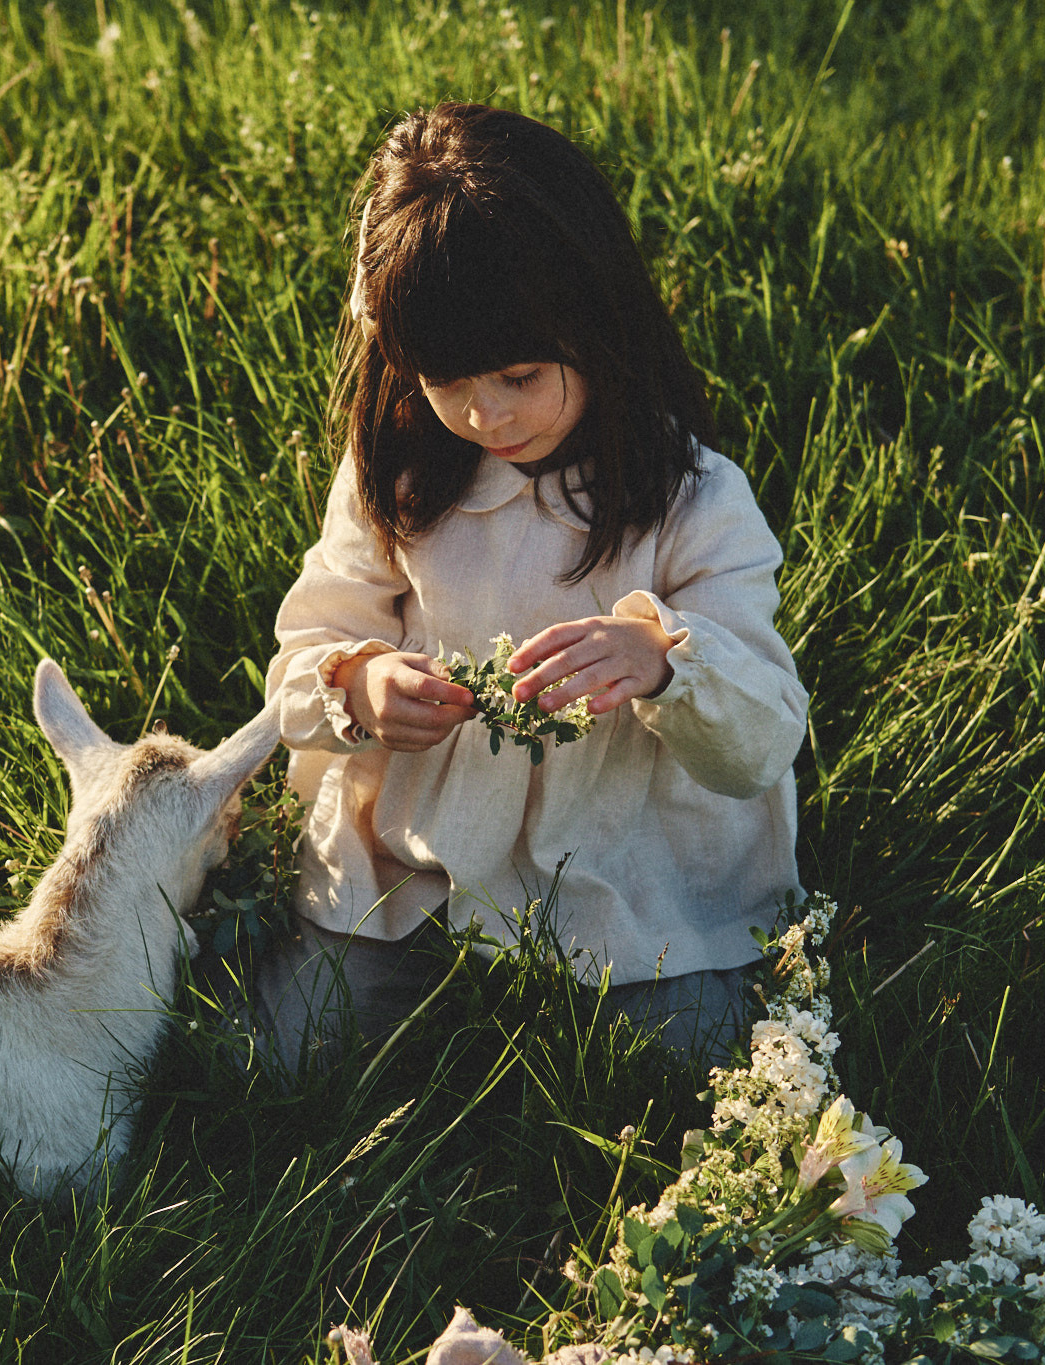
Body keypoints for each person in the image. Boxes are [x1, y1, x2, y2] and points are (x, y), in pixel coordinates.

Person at [256, 103, 808, 1072]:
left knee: (685, 1066)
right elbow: (307, 645)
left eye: (519, 373)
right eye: (447, 379)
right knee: (290, 1051)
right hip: (418, 852)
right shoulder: (399, 478)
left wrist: (661, 661)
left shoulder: (688, 498)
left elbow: (760, 739)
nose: (485, 413)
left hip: (626, 854)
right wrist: (360, 684)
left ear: (596, 326)